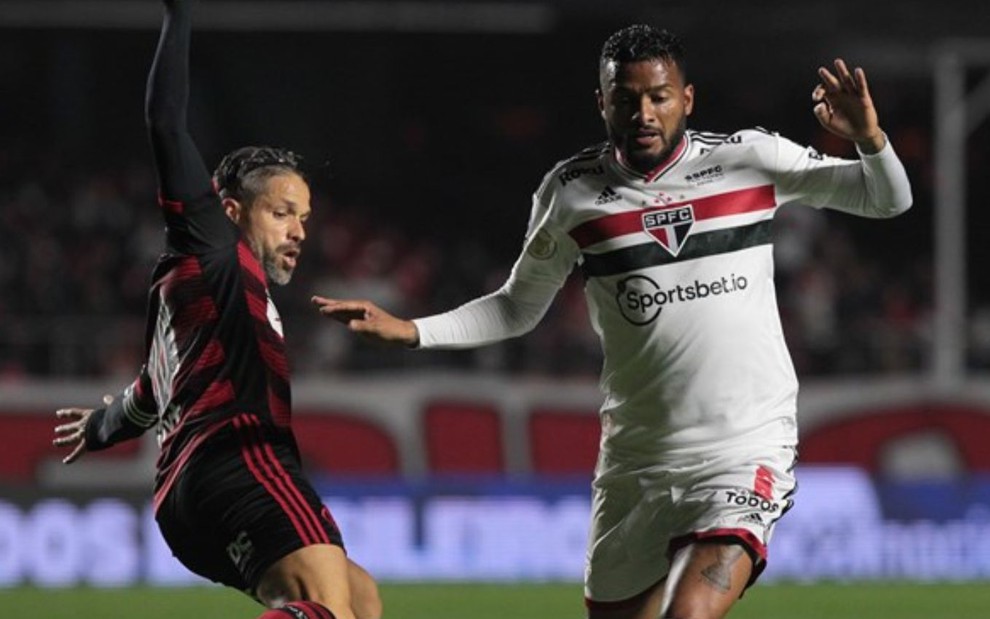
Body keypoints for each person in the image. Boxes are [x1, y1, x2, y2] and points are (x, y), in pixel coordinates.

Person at [312, 24, 912, 619]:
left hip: (743, 448)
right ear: (602, 102)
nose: (643, 112)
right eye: (626, 98)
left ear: (687, 98)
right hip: (636, 462)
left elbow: (887, 199)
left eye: (659, 96)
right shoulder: (571, 193)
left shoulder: (748, 160)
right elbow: (517, 306)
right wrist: (415, 330)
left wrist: (870, 139)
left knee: (690, 613)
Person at [51, 2, 381, 618]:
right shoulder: (212, 245)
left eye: (304, 217)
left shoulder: (199, 297)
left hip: (185, 498)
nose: (299, 230)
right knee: (328, 606)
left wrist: (101, 427)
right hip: (237, 458)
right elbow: (166, 124)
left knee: (360, 601)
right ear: (231, 212)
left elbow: (149, 397)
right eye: (281, 212)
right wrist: (180, 14)